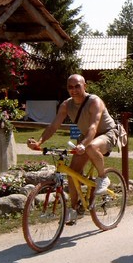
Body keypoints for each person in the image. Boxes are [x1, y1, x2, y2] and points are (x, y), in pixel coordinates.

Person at [27, 74, 118, 224]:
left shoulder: (95, 101)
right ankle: (75, 209)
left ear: (85, 86)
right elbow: (53, 126)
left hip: (107, 133)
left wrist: (83, 144)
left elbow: (93, 127)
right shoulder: (66, 105)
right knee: (72, 173)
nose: (74, 90)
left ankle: (103, 177)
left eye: (77, 86)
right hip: (87, 136)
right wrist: (39, 141)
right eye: (70, 87)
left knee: (91, 147)